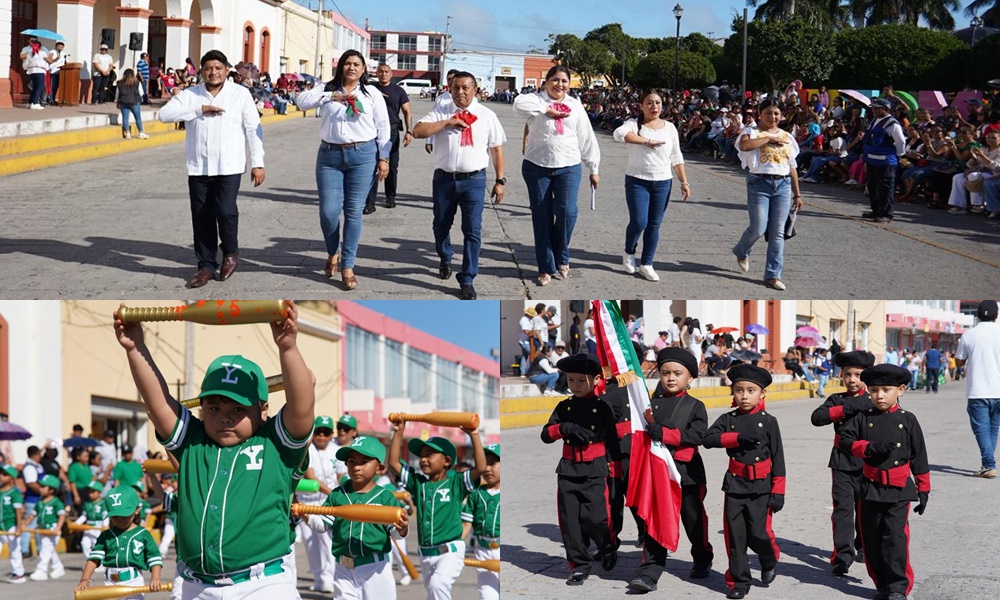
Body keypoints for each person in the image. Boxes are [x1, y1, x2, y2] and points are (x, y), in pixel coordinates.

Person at [113, 300, 315, 598]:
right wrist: (135, 348)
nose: (225, 416)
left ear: (263, 410)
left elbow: (301, 407)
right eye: (214, 406)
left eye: (238, 407)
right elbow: (158, 402)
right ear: (203, 408)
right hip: (195, 586)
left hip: (263, 585)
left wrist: (288, 347)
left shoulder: (276, 444)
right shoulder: (192, 442)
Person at [158, 50, 266, 289]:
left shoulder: (240, 94)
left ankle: (230, 252)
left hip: (229, 166)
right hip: (198, 167)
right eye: (208, 68)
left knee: (226, 211)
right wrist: (199, 110)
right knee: (202, 217)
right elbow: (163, 114)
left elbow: (253, 129)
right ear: (201, 71)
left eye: (218, 68)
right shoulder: (190, 95)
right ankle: (205, 266)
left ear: (227, 70)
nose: (213, 72)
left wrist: (258, 162)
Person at [297, 50, 390, 291]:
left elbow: (383, 126)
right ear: (340, 67)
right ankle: (332, 252)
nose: (351, 68)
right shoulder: (326, 89)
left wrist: (384, 157)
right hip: (330, 155)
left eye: (356, 64)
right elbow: (301, 102)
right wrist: (330, 96)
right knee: (328, 212)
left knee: (353, 212)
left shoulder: (372, 94)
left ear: (363, 69)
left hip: (363, 155)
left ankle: (348, 266)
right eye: (347, 64)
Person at [838, 364, 930, 600]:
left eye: (886, 389)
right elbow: (845, 441)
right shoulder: (862, 417)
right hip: (869, 488)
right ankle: (881, 583)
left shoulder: (908, 419)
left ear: (900, 390)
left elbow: (919, 455)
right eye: (874, 390)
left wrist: (923, 488)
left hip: (899, 489)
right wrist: (867, 448)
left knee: (895, 538)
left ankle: (898, 586)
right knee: (871, 538)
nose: (879, 395)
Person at [412, 70, 506, 300]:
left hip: (474, 180)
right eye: (456, 88)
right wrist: (447, 122)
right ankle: (445, 256)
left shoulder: (487, 115)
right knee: (441, 225)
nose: (460, 92)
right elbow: (417, 131)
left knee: (472, 230)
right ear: (449, 90)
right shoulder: (441, 112)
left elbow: (496, 149)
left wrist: (500, 180)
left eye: (465, 88)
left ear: (475, 90)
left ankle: (467, 278)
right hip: (444, 179)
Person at [628, 348, 713, 593]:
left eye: (678, 373)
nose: (671, 378)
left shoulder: (696, 406)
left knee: (693, 521)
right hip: (658, 473)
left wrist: (666, 434)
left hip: (687, 474)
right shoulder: (650, 406)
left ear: (690, 378)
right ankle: (649, 572)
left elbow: (698, 435)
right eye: (665, 373)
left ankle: (702, 557)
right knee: (655, 519)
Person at [703, 364, 785, 600]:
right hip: (736, 484)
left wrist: (778, 491)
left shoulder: (769, 421)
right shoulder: (728, 419)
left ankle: (768, 558)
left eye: (751, 390)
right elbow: (708, 438)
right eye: (739, 390)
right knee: (736, 536)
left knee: (758, 533)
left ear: (762, 394)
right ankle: (738, 581)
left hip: (761, 486)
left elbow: (778, 457)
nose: (744, 395)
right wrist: (736, 438)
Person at [514, 65, 600, 286]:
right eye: (554, 80)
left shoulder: (575, 105)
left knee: (567, 213)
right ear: (546, 82)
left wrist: (594, 167)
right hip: (537, 166)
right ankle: (545, 267)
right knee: (541, 217)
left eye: (564, 81)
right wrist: (546, 109)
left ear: (569, 84)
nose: (559, 85)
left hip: (569, 166)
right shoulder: (535, 101)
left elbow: (586, 137)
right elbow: (518, 105)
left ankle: (562, 254)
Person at [295, 436, 408, 600]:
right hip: (343, 569)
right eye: (352, 461)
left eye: (364, 461)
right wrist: (305, 515)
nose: (356, 467)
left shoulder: (386, 498)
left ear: (380, 468)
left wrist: (402, 529)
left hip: (374, 569)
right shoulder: (338, 494)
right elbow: (322, 526)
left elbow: (394, 533)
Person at [540, 353, 618, 585]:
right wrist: (563, 427)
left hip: (595, 468)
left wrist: (615, 470)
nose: (575, 385)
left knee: (595, 518)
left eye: (581, 380)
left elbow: (613, 440)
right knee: (570, 522)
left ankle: (607, 545)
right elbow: (545, 435)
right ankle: (579, 565)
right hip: (568, 468)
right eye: (571, 380)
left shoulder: (602, 407)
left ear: (595, 380)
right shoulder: (563, 407)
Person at [388, 415, 486, 600]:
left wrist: (474, 434)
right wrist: (399, 431)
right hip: (425, 554)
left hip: (451, 550)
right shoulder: (418, 483)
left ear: (446, 461)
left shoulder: (456, 482)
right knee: (434, 594)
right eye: (422, 455)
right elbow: (394, 463)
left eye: (430, 455)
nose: (423, 459)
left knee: (437, 585)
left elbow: (480, 468)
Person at [612, 90, 690, 281]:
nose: (654, 107)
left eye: (657, 103)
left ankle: (647, 263)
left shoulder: (670, 127)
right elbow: (619, 134)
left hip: (663, 181)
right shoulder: (633, 124)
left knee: (654, 225)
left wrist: (684, 181)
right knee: (639, 221)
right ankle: (629, 252)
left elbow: (676, 156)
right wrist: (646, 142)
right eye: (649, 103)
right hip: (637, 180)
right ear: (641, 105)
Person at [810, 350, 875, 575]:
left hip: (869, 462)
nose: (852, 380)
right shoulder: (837, 399)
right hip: (842, 462)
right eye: (848, 374)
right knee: (843, 510)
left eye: (858, 375)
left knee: (866, 509)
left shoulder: (875, 398)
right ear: (841, 375)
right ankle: (842, 556)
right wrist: (844, 409)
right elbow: (817, 418)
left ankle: (863, 546)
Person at [733, 97, 802, 291]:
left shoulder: (787, 136)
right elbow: (745, 146)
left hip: (783, 185)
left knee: (777, 233)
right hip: (759, 184)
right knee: (758, 228)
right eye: (768, 113)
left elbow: (792, 166)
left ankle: (772, 275)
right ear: (760, 114)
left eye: (777, 113)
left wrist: (797, 194)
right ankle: (741, 250)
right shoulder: (752, 131)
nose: (773, 117)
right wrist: (770, 138)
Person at [76, 485, 162, 598]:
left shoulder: (143, 534)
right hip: (110, 583)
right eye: (115, 516)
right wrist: (84, 579)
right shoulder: (106, 535)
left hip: (134, 583)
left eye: (124, 514)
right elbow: (93, 559)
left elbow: (154, 558)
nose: (120, 519)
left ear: (137, 510)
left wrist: (155, 578)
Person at [955, 300, 1000, 478]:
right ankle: (987, 463)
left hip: (977, 391)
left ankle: (989, 464)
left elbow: (959, 361)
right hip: (999, 391)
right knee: (993, 429)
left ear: (977, 315)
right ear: (996, 315)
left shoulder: (969, 335)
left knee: (981, 429)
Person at [298, 416, 341, 593]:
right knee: (310, 543)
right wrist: (331, 491)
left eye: (326, 432)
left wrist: (339, 495)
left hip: (326, 504)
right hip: (307, 502)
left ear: (331, 434)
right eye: (318, 432)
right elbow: (310, 476)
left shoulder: (337, 451)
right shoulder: (307, 450)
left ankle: (329, 577)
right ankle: (318, 578)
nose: (321, 436)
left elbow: (341, 476)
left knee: (326, 541)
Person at [365, 63, 413, 213]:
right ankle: (370, 203)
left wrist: (409, 131)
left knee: (391, 166)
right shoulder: (370, 89)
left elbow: (407, 111)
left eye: (386, 72)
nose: (383, 74)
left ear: (391, 74)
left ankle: (390, 197)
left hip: (392, 131)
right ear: (377, 74)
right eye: (380, 72)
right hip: (372, 130)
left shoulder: (398, 91)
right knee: (372, 166)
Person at [462, 443, 500, 600]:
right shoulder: (475, 495)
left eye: (492, 463)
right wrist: (456, 544)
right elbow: (466, 524)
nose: (488, 469)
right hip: (483, 550)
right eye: (485, 464)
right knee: (487, 595)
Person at [861, 98, 906, 223]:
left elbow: (900, 141)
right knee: (872, 187)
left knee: (885, 189)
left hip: (885, 161)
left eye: (877, 108)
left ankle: (886, 214)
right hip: (871, 159)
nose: (874, 110)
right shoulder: (874, 120)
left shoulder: (892, 124)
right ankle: (876, 210)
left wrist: (899, 155)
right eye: (873, 108)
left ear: (885, 109)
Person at [28, 474, 66, 581]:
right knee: (50, 550)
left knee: (46, 549)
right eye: (40, 486)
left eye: (43, 487)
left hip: (53, 529)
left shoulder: (56, 502)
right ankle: (58, 567)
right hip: (42, 529)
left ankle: (42, 570)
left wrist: (58, 527)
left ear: (51, 490)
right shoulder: (39, 502)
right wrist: (23, 525)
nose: (40, 489)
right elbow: (32, 515)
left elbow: (62, 516)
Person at [0, 464, 26, 584]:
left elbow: (18, 512)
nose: (1, 476)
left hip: (11, 525)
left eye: (4, 474)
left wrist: (19, 528)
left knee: (14, 549)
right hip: (0, 526)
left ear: (12, 478)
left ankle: (19, 573)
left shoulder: (15, 493)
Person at [74, 481, 108, 561]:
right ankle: (90, 561)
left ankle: (100, 562)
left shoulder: (103, 503)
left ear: (99, 492)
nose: (90, 494)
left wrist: (105, 525)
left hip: (98, 527)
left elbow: (105, 515)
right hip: (88, 526)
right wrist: (77, 523)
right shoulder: (87, 503)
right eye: (89, 491)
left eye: (93, 492)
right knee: (84, 543)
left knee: (97, 545)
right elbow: (84, 516)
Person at [20, 35, 52, 110]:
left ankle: (30, 102)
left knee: (35, 88)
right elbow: (50, 61)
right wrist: (50, 55)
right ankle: (35, 103)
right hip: (39, 71)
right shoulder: (42, 53)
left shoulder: (29, 54)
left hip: (31, 71)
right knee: (39, 87)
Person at [116, 69, 149, 140]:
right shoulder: (137, 82)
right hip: (135, 102)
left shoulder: (119, 83)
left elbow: (117, 94)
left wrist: (117, 102)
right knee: (138, 118)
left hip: (123, 102)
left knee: (125, 118)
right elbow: (141, 93)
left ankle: (127, 133)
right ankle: (141, 132)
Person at [518, 306, 536, 377]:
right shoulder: (524, 320)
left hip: (527, 341)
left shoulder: (528, 320)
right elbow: (526, 331)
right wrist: (534, 332)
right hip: (524, 341)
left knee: (524, 356)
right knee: (531, 354)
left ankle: (523, 372)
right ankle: (528, 370)